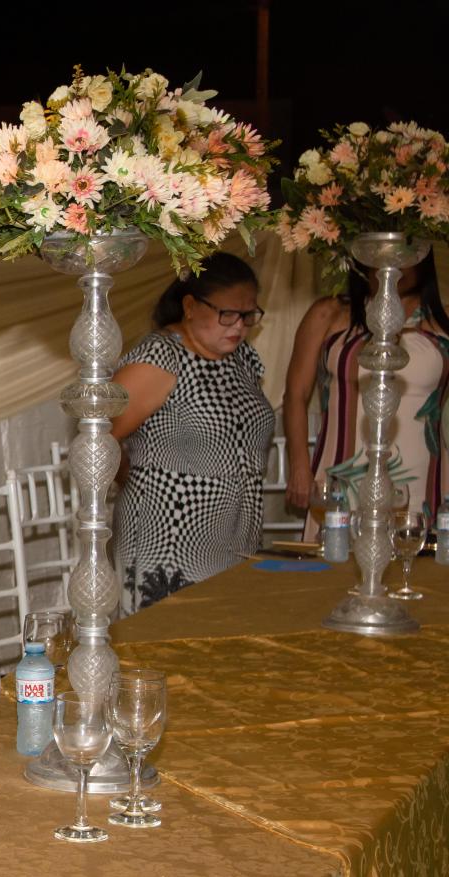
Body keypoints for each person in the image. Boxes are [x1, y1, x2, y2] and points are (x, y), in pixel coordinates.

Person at [112, 252, 274, 615]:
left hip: (235, 539)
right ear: (189, 305)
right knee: (167, 645)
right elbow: (100, 438)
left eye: (248, 315)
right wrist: (142, 482)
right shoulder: (160, 356)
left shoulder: (243, 359)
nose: (239, 326)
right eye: (227, 314)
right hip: (169, 537)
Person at [283, 251, 449, 529]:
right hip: (342, 470)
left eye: (404, 252)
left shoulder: (441, 325)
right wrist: (299, 464)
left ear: (423, 257)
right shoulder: (330, 314)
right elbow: (295, 394)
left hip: (424, 470)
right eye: (382, 252)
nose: (394, 264)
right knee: (334, 562)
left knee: (414, 562)